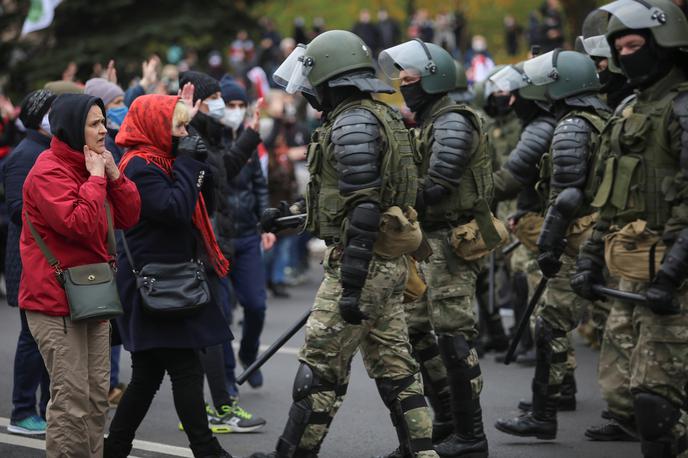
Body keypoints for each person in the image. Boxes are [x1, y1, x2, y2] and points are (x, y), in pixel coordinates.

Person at [251, 30, 438, 458]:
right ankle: (423, 450)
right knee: (397, 367)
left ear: (332, 76)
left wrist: (351, 284)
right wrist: (287, 218)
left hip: (363, 265)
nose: (310, 91)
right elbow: (346, 197)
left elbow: (365, 208)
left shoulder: (352, 121)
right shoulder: (378, 115)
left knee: (319, 370)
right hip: (389, 265)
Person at [571, 1, 688, 456]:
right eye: (619, 46)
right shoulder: (626, 112)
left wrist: (671, 274)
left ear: (665, 46)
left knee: (655, 405)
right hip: (631, 271)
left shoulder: (681, 108)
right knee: (623, 400)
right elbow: (611, 200)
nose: (624, 54)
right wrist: (588, 259)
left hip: (673, 274)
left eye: (634, 44)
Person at [378, 39, 498, 457]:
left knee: (452, 335)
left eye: (411, 79)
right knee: (416, 331)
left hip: (451, 240)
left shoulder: (451, 121)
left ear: (434, 79)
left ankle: (471, 435)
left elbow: (438, 184)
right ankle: (447, 420)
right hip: (431, 242)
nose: (404, 86)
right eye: (402, 79)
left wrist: (389, 204)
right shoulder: (430, 121)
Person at [103, 93, 233, 458]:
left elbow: (203, 196)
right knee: (184, 369)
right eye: (177, 125)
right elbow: (176, 209)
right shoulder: (139, 166)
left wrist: (196, 161)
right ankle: (208, 450)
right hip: (155, 282)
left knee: (147, 375)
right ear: (155, 126)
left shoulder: (163, 160)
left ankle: (115, 447)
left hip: (167, 279)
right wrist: (189, 164)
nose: (184, 132)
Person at [492, 49, 611, 440]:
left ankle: (547, 412)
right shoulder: (600, 119)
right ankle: (560, 403)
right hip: (600, 237)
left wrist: (548, 244)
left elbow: (565, 198)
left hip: (578, 237)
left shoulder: (572, 126)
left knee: (553, 322)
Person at [20, 92, 141, 457]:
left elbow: (130, 216)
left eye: (104, 121)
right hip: (54, 301)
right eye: (95, 123)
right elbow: (80, 224)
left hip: (92, 295)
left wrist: (115, 175)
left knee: (94, 397)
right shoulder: (47, 170)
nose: (105, 129)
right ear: (73, 127)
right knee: (71, 401)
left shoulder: (97, 163)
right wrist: (95, 179)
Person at [177, 70, 267, 433]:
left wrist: (249, 136)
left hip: (212, 246)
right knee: (206, 333)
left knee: (202, 335)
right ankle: (216, 410)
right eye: (215, 99)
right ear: (198, 102)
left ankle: (207, 413)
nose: (223, 107)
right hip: (198, 250)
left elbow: (222, 174)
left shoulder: (207, 136)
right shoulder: (190, 137)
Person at [3, 89, 55, 436]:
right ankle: (23, 411)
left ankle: (46, 407)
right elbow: (19, 211)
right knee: (32, 338)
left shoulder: (46, 150)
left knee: (47, 339)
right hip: (28, 260)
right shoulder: (25, 155)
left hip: (45, 259)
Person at [218, 75, 274, 391]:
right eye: (231, 105)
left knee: (256, 304)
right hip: (219, 239)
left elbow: (259, 185)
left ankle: (249, 355)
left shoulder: (251, 140)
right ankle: (226, 379)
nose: (236, 110)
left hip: (248, 235)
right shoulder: (213, 143)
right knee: (222, 313)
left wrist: (266, 225)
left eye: (241, 105)